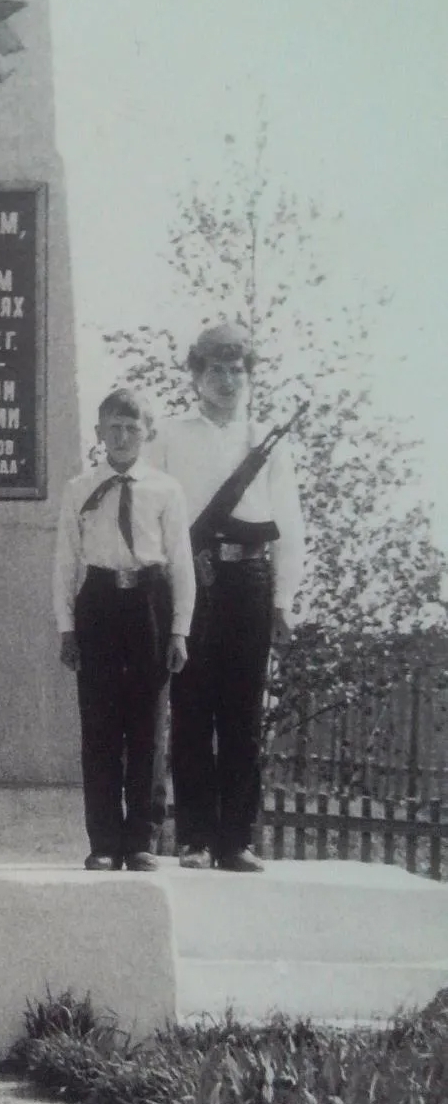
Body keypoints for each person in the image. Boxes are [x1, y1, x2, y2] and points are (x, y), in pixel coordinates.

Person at [146, 321, 306, 873]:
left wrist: (284, 598)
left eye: (237, 370)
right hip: (191, 578)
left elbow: (289, 523)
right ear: (196, 375)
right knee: (191, 708)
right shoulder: (168, 434)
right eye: (216, 370)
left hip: (251, 581)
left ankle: (236, 840)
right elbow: (151, 512)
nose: (227, 381)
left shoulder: (265, 441)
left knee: (243, 712)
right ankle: (193, 838)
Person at [53, 387, 195, 872]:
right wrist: (67, 627)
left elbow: (181, 562)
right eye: (113, 427)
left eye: (132, 428)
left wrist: (180, 630)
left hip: (150, 603)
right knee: (99, 726)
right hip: (98, 602)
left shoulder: (165, 490)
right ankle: (104, 841)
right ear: (99, 432)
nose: (122, 437)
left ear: (147, 434)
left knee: (147, 726)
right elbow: (65, 562)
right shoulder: (79, 489)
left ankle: (140, 840)